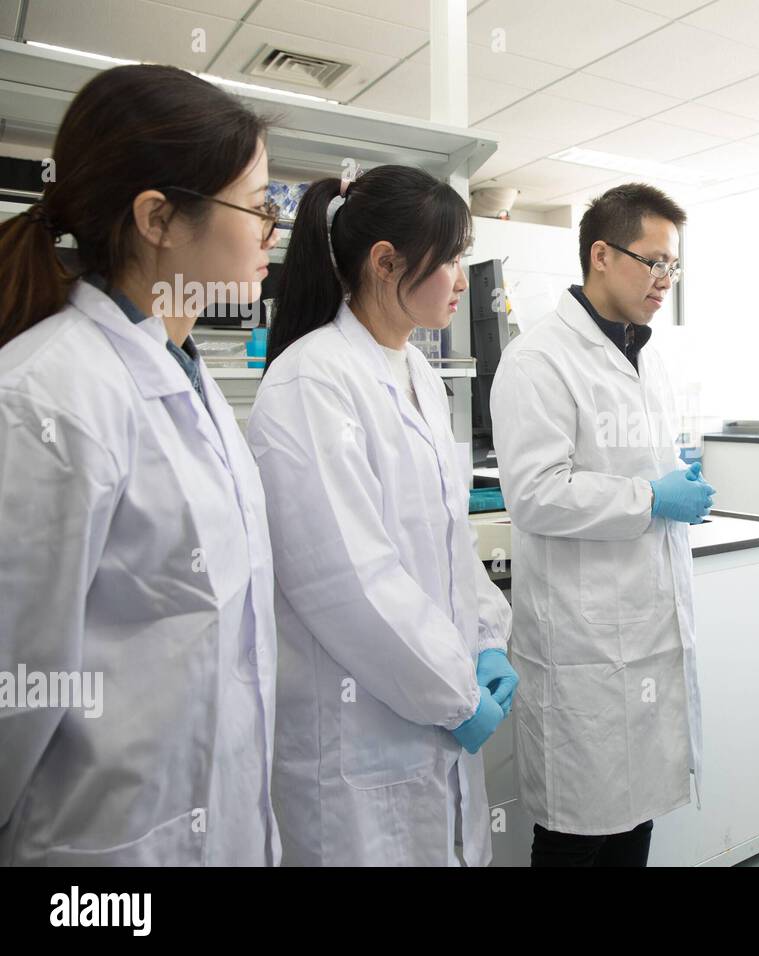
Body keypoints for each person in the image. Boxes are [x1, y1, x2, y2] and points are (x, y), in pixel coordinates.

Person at [0, 65, 280, 865]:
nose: (271, 230)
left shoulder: (187, 380)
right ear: (159, 217)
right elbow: (14, 686)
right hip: (102, 860)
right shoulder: (45, 397)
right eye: (258, 206)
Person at [247, 165, 513, 866]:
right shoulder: (312, 381)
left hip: (429, 702)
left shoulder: (417, 373)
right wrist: (457, 693)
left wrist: (485, 636)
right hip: (357, 731)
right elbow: (348, 579)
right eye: (450, 257)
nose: (463, 276)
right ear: (385, 261)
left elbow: (449, 540)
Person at [491, 183, 712, 866]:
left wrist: (676, 484)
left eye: (673, 266)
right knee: (576, 834)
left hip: (646, 630)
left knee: (634, 819)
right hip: (580, 644)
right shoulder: (539, 359)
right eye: (654, 262)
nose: (665, 281)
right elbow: (535, 493)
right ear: (600, 255)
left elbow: (647, 464)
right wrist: (652, 499)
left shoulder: (650, 357)